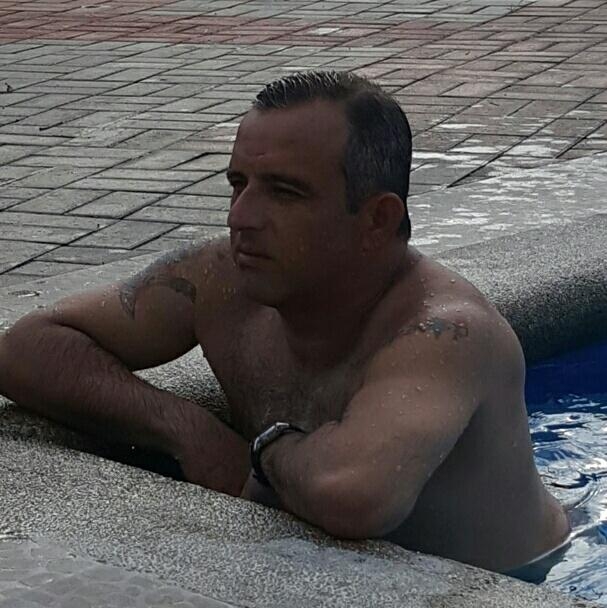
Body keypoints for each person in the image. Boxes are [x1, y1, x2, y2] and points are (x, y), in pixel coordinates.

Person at [0, 71, 569, 576]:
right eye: (238, 184)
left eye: (284, 193)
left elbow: (354, 495)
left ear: (377, 220)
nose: (241, 217)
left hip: (521, 583)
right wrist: (188, 431)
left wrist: (264, 452)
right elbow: (24, 349)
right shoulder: (221, 279)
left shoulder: (444, 333)